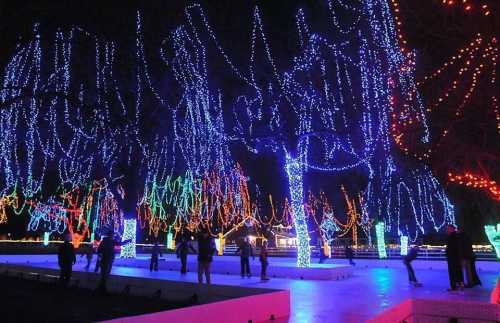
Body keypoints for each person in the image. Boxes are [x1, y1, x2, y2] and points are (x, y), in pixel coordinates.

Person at [445, 225, 464, 291]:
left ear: (452, 229)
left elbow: (451, 248)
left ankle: (454, 286)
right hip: (456, 257)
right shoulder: (457, 236)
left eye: (448, 229)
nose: (447, 230)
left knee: (453, 272)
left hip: (452, 258)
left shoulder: (452, 237)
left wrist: (448, 254)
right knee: (458, 271)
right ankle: (460, 284)